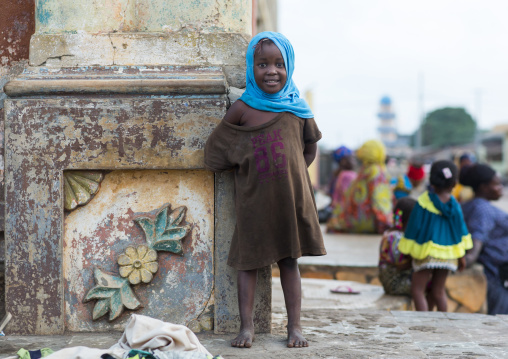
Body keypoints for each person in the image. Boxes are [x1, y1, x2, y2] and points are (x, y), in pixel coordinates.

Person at [204, 32, 326, 349]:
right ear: (251, 68)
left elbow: (309, 149)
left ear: (290, 67)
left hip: (289, 201)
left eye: (279, 64)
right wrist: (248, 169)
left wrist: (293, 175)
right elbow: (216, 153)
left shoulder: (298, 108)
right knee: (248, 263)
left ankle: (295, 327)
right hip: (254, 203)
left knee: (289, 262)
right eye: (262, 64)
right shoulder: (243, 109)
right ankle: (247, 328)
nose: (271, 71)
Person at [398, 160, 472, 311]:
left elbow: (413, 228)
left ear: (431, 180)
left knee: (417, 290)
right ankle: (444, 323)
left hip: (426, 252)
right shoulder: (455, 205)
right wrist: (461, 256)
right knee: (438, 291)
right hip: (449, 255)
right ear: (454, 184)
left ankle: (424, 322)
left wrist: (407, 252)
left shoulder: (423, 202)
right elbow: (461, 231)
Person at [461, 163, 508, 314]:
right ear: (483, 187)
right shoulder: (482, 208)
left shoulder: (471, 205)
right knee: (499, 318)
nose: (500, 187)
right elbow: (478, 236)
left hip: (496, 273)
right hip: (493, 274)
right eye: (496, 184)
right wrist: (470, 258)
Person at [326, 139, 393, 234]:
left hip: (353, 222)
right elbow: (380, 203)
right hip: (369, 224)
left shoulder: (363, 171)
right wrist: (388, 224)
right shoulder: (377, 173)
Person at [378, 197, 416, 296]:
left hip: (397, 280)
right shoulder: (394, 237)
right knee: (426, 284)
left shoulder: (394, 233)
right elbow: (400, 265)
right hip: (395, 283)